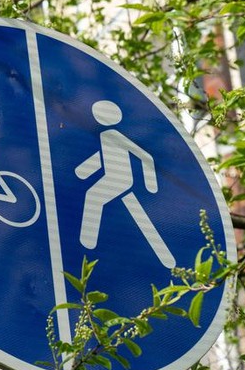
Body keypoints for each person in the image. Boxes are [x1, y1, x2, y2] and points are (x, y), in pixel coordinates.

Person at [75, 100, 175, 268]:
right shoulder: (106, 135)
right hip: (117, 179)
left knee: (93, 197)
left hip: (119, 179)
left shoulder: (116, 136)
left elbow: (144, 156)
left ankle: (86, 244)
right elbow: (102, 158)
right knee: (139, 216)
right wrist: (83, 171)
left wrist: (151, 183)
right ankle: (167, 258)